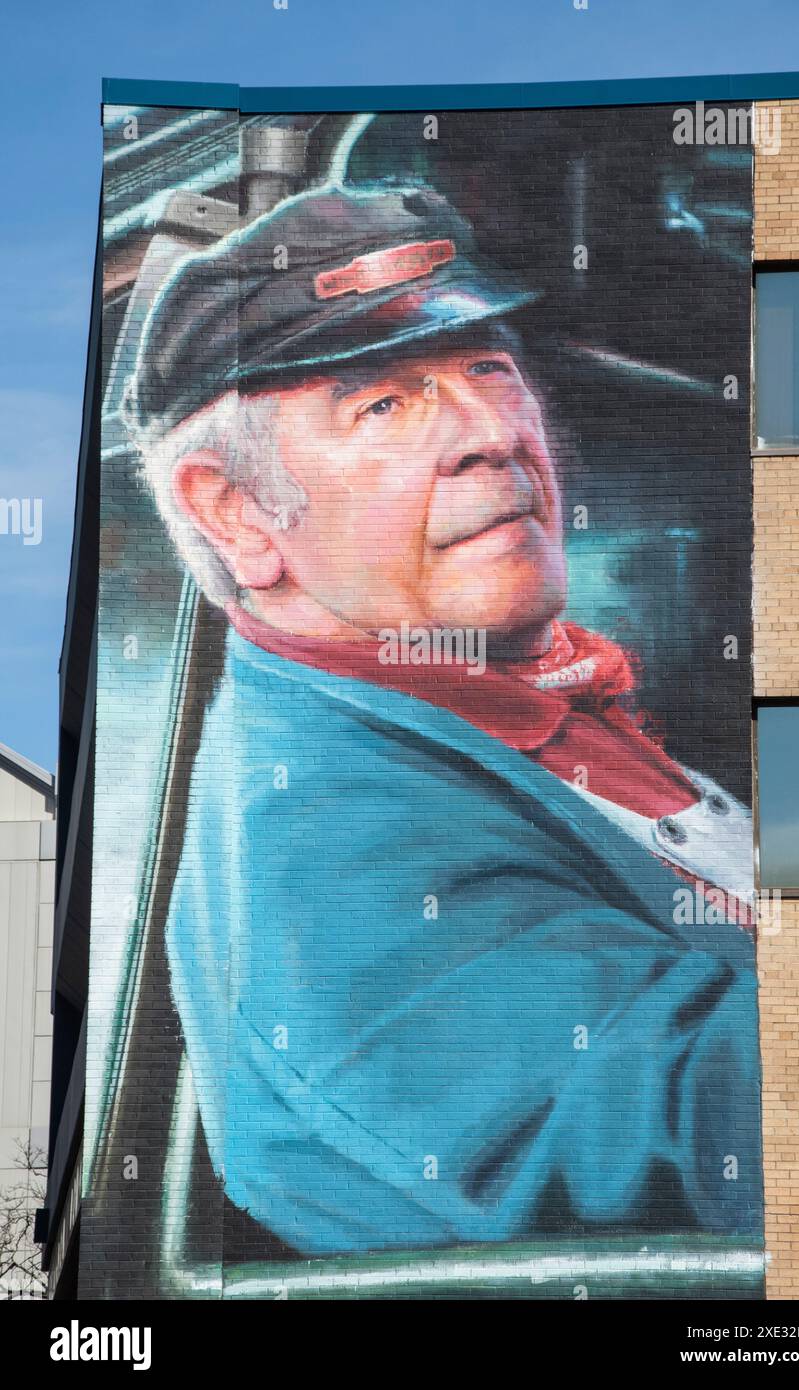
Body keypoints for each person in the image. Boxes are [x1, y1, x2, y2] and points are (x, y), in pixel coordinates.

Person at [123, 180, 762, 1257]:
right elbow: (730, 1135)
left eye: (488, 369)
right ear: (237, 514)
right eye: (382, 402)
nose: (489, 434)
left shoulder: (512, 695)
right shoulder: (327, 856)